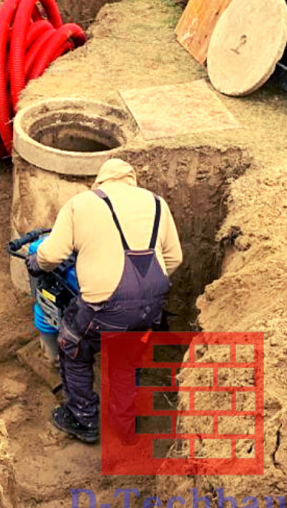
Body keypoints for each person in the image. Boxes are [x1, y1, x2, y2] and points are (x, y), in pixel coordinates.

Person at [25, 158, 182, 443]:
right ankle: (124, 426)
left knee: (73, 347)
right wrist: (140, 293)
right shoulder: (157, 203)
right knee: (125, 360)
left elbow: (52, 255)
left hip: (104, 305)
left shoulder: (81, 203)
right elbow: (174, 258)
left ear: (100, 182)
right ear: (131, 180)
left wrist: (35, 262)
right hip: (151, 305)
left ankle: (83, 419)